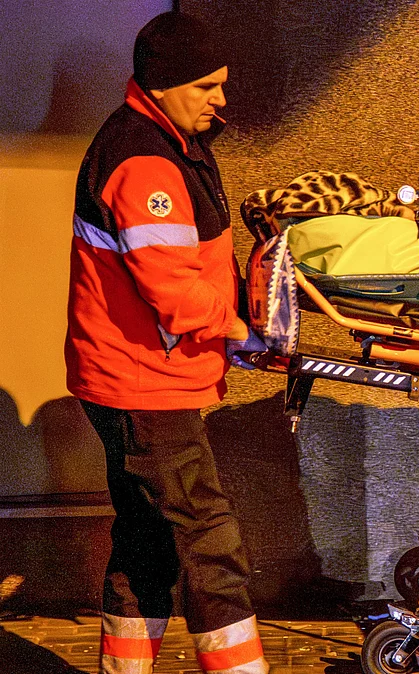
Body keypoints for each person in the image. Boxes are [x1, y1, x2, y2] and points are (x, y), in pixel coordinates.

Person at [65, 11, 270, 674]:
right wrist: (242, 329)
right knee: (208, 541)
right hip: (144, 383)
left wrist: (230, 332)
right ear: (165, 83)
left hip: (135, 377)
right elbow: (173, 289)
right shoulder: (146, 161)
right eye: (207, 86)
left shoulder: (168, 140)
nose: (221, 99)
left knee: (146, 539)